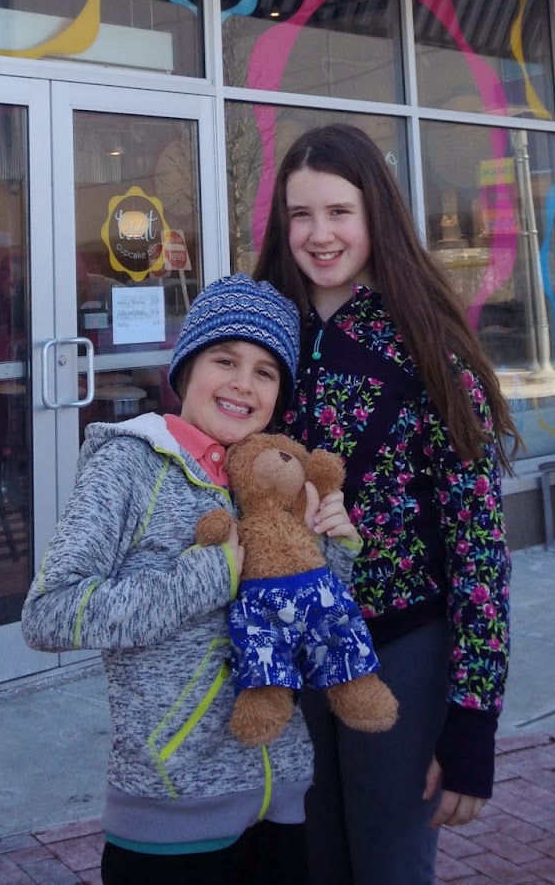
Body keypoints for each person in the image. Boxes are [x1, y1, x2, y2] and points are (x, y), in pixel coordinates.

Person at [20, 273, 362, 884]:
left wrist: (333, 551)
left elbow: (305, 636)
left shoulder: (273, 482)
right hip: (171, 817)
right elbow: (50, 613)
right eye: (224, 360)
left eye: (265, 372)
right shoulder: (131, 463)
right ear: (185, 370)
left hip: (280, 802)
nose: (243, 383)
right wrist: (209, 575)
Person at [253, 123, 519, 885]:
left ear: (377, 214)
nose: (320, 234)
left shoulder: (428, 346)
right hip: (287, 650)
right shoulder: (264, 337)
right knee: (307, 865)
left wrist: (473, 718)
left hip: (398, 652)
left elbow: (478, 550)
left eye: (339, 211)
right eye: (301, 214)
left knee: (388, 868)